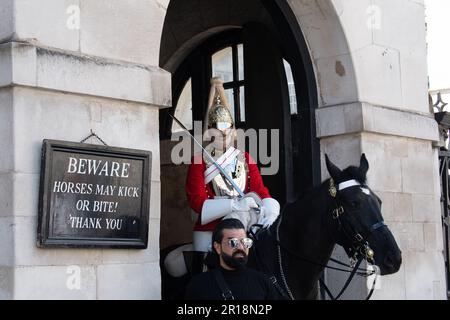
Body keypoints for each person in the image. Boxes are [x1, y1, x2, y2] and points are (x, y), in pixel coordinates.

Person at [187, 77, 280, 254]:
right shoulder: (199, 160)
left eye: (226, 127)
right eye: (218, 127)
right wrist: (234, 205)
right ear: (210, 130)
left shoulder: (244, 157)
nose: (223, 132)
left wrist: (271, 211)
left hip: (245, 227)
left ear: (232, 130)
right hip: (211, 229)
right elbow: (197, 201)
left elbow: (259, 190)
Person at [184, 218, 282, 300]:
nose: (240, 247)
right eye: (233, 242)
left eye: (245, 241)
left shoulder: (263, 282)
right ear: (218, 247)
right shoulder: (199, 285)